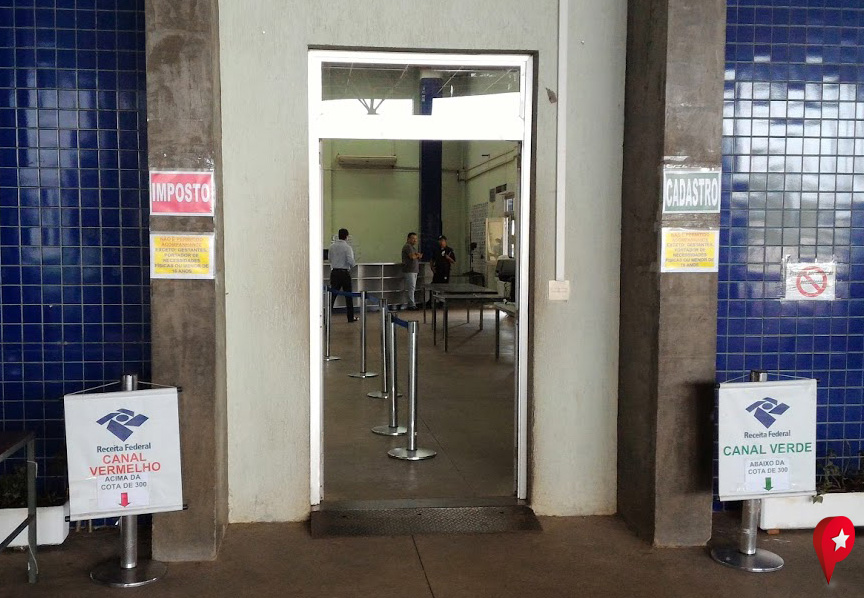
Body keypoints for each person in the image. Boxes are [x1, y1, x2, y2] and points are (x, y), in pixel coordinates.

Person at [328, 228, 357, 322]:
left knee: (332, 296)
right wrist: (353, 264)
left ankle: (326, 316)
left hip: (334, 272)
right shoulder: (347, 248)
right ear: (347, 236)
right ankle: (350, 317)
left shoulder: (332, 246)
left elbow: (329, 259)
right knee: (348, 296)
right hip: (344, 273)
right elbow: (350, 261)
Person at [401, 232, 422, 310]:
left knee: (412, 287)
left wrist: (417, 255)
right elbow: (412, 256)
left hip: (413, 270)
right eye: (413, 238)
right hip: (409, 270)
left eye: (416, 239)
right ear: (408, 239)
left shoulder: (412, 248)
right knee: (411, 288)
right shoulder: (407, 246)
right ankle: (411, 305)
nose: (415, 240)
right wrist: (417, 255)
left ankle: (412, 303)